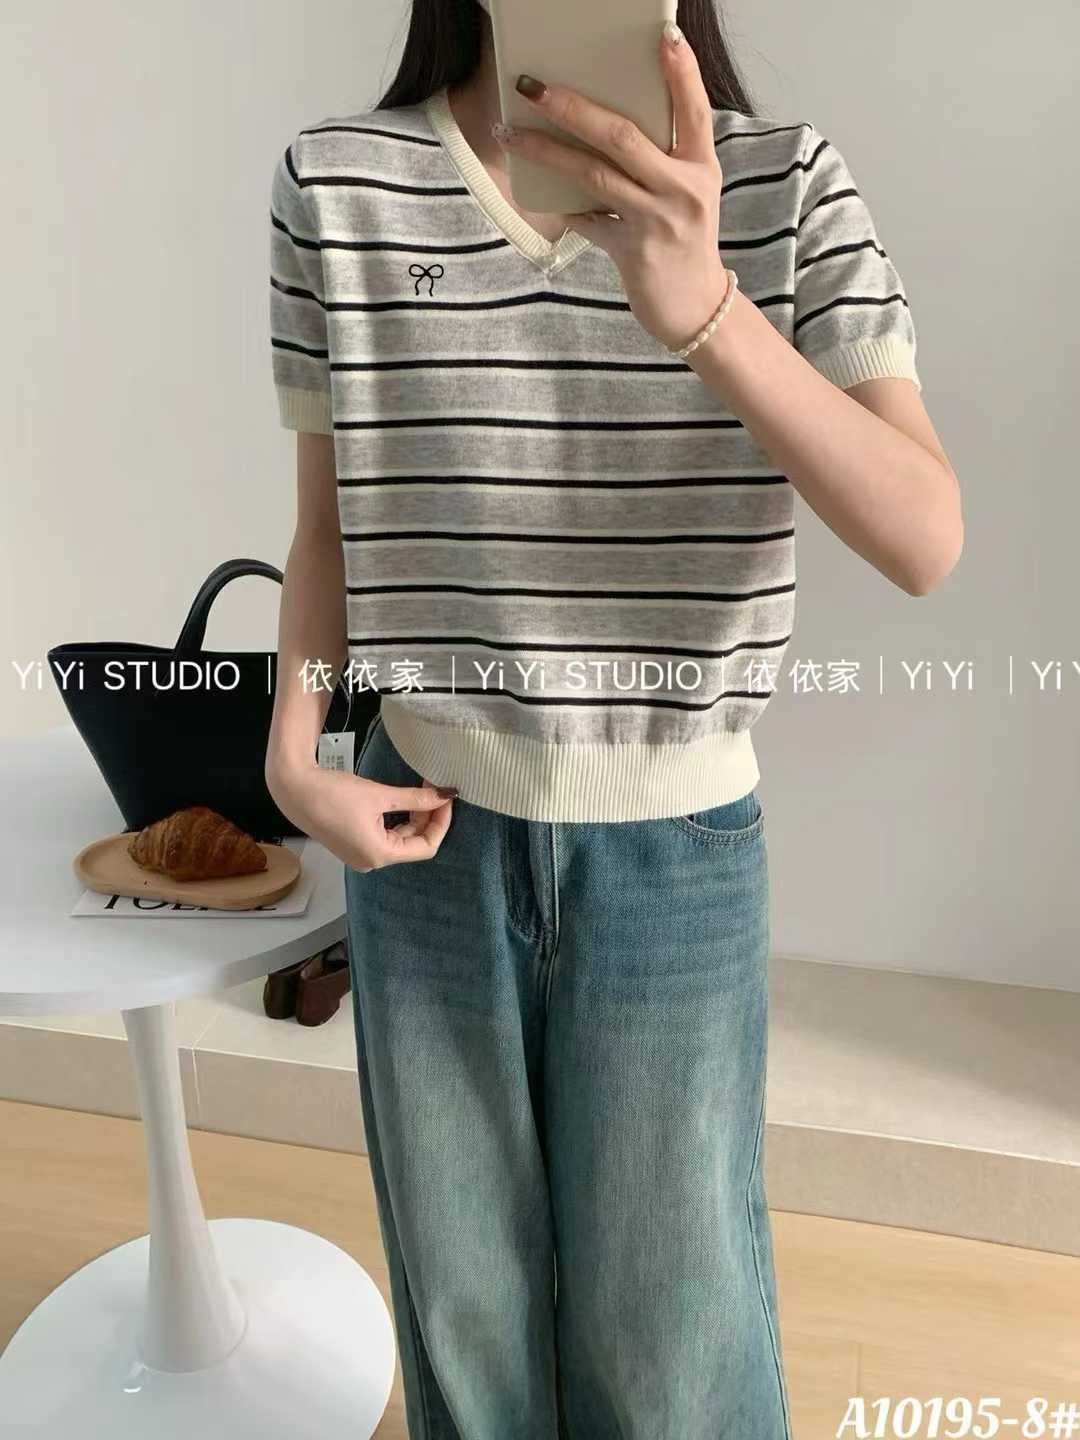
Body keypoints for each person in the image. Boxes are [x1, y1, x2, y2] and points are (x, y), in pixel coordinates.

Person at [265, 2, 963, 1435]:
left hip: (673, 851)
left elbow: (924, 536)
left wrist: (706, 308)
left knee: (674, 1352)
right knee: (466, 1326)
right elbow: (327, 530)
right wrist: (295, 757)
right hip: (424, 834)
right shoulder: (337, 181)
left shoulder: (779, 183)